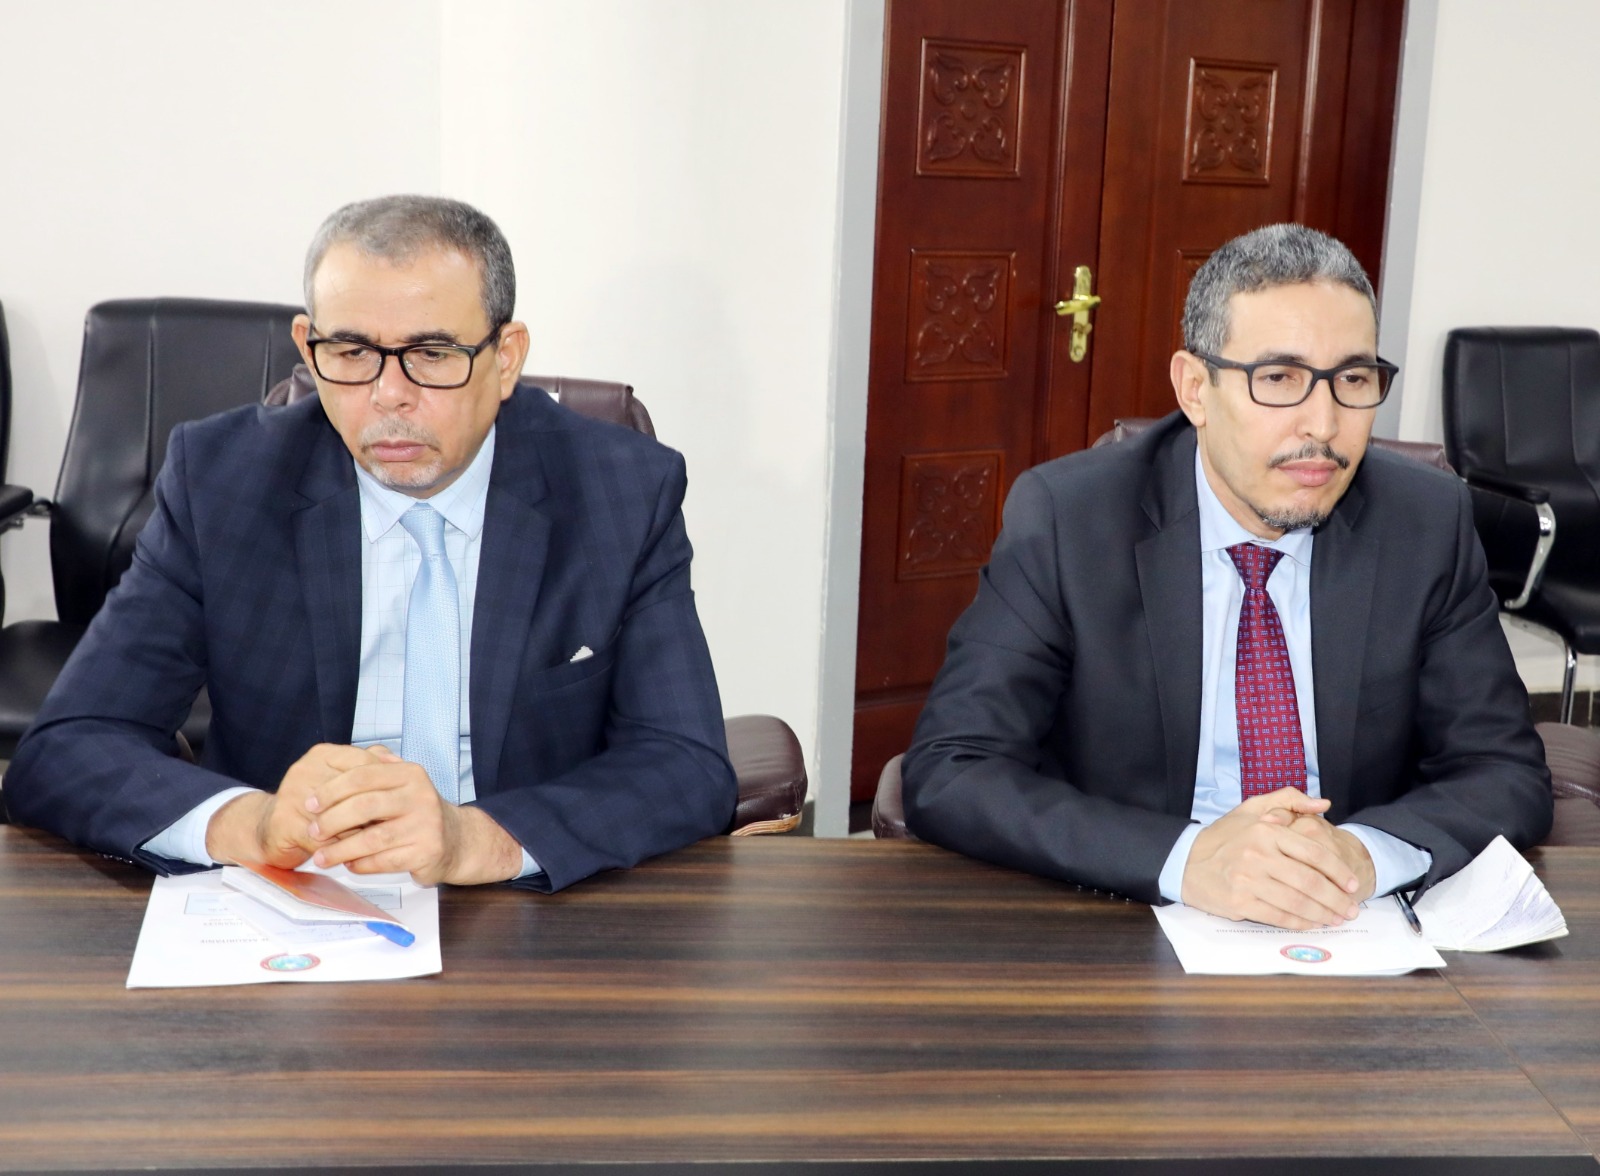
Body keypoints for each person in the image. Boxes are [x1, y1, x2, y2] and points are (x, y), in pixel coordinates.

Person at [5, 195, 736, 892]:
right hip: (290, 907)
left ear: (506, 357)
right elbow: (68, 747)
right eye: (352, 351)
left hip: (520, 901)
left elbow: (684, 763)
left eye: (433, 352)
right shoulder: (223, 483)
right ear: (307, 345)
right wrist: (254, 823)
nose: (389, 394)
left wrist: (475, 840)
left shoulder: (619, 492)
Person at [902, 223, 1552, 930]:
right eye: (1278, 379)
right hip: (1131, 914)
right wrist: (1188, 860)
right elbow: (954, 766)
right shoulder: (1071, 519)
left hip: (1351, 918)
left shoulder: (1425, 523)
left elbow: (1503, 770)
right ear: (1195, 389)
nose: (1323, 424)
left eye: (1353, 379)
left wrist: (1364, 854)